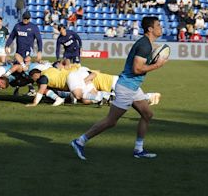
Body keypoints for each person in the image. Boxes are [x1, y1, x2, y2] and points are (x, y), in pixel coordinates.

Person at [70, 16, 168, 160]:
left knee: (147, 114)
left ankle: (138, 150)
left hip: (133, 87)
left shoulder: (146, 44)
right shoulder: (144, 45)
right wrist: (157, 65)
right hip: (126, 87)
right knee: (111, 121)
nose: (161, 28)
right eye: (158, 25)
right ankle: (80, 141)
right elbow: (137, 69)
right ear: (150, 29)